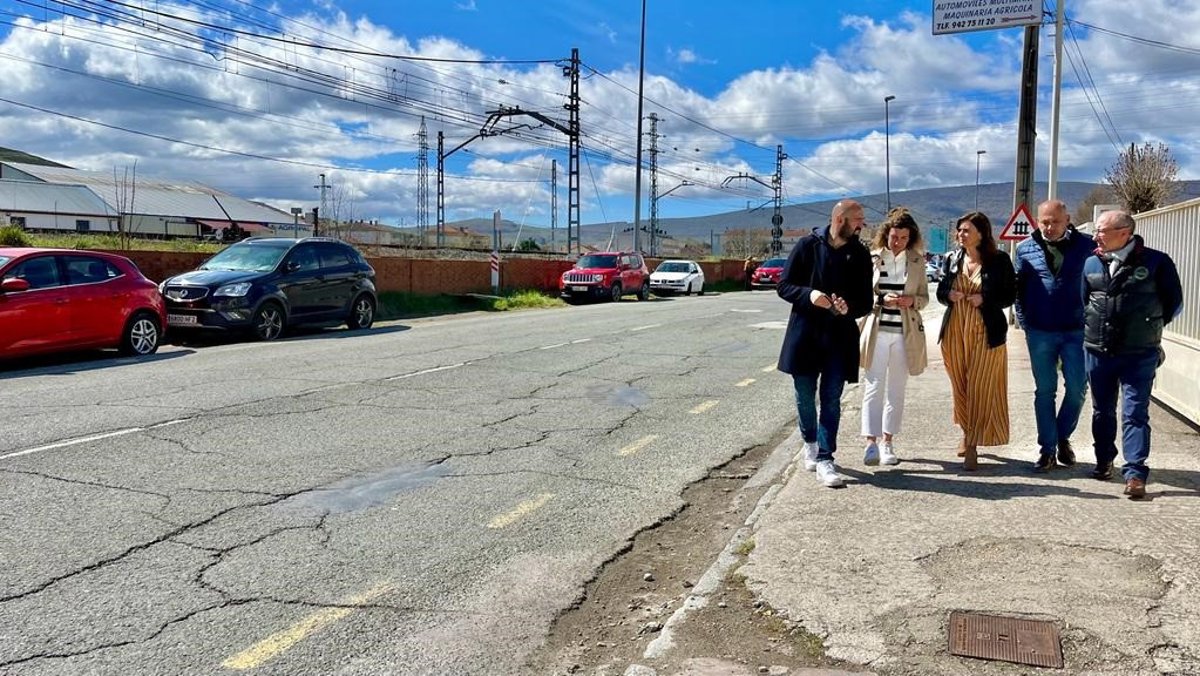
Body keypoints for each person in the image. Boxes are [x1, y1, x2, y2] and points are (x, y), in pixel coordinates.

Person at [1082, 209, 1183, 499]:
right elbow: (1084, 301)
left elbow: (1173, 303)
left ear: (1124, 233)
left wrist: (1147, 327)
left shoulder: (1156, 262)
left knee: (1135, 412)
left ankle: (1136, 472)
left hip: (1139, 352)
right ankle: (1104, 460)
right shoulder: (1091, 262)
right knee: (1102, 410)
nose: (1096, 236)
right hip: (1098, 350)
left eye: (1102, 231)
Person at [777, 199, 873, 488]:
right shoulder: (807, 245)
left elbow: (866, 301)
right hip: (805, 335)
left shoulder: (860, 254)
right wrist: (809, 295)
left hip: (839, 338)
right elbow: (784, 286)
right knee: (804, 395)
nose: (862, 224)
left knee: (831, 399)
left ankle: (825, 458)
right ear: (840, 219)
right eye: (858, 219)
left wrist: (848, 308)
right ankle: (809, 441)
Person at [1014, 199, 1096, 472]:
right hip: (1040, 331)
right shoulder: (1025, 249)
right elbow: (1019, 290)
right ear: (1038, 221)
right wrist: (1025, 323)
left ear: (1067, 220)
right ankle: (1047, 449)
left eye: (1055, 222)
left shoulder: (1087, 247)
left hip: (1076, 331)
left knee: (1077, 388)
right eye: (1044, 222)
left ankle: (1062, 436)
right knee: (1045, 391)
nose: (1049, 227)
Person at [936, 211, 1016, 470]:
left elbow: (1009, 296)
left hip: (986, 331)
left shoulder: (999, 260)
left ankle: (972, 443)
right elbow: (940, 292)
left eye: (966, 230)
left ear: (981, 233)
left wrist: (985, 299)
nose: (961, 234)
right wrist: (949, 295)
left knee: (980, 386)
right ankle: (965, 430)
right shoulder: (951, 258)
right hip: (955, 330)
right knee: (960, 385)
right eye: (959, 230)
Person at [859, 207, 929, 466]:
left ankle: (887, 442)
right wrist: (880, 299)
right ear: (886, 234)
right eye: (894, 237)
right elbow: (860, 295)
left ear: (911, 238)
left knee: (897, 389)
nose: (897, 242)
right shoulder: (873, 259)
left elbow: (924, 298)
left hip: (904, 334)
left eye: (903, 238)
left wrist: (912, 301)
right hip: (876, 331)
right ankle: (871, 443)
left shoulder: (917, 261)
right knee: (873, 386)